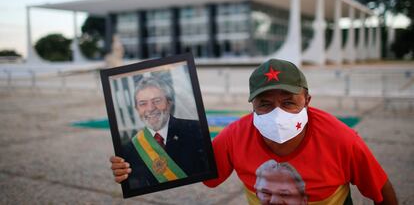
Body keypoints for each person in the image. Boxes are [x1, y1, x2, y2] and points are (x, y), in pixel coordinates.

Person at [111, 59, 398, 204]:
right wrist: (131, 169)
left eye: (289, 102)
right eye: (265, 104)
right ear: (252, 105)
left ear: (307, 101)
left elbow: (383, 192)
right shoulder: (235, 136)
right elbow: (198, 172)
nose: (277, 112)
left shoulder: (341, 139)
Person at [114, 76, 209, 189]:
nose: (150, 108)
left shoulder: (196, 130)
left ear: (169, 103)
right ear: (137, 109)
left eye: (157, 101)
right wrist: (122, 175)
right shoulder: (128, 149)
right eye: (143, 103)